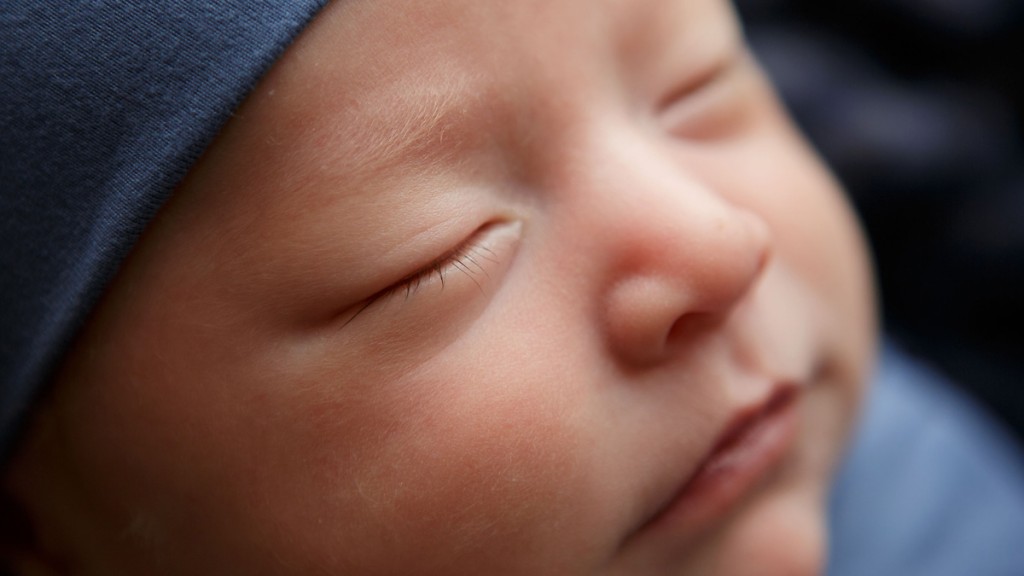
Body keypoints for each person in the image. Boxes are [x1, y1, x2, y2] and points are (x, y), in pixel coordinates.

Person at [0, 1, 1018, 574]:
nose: (720, 245)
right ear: (37, 529)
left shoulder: (930, 512)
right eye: (440, 258)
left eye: (695, 87)